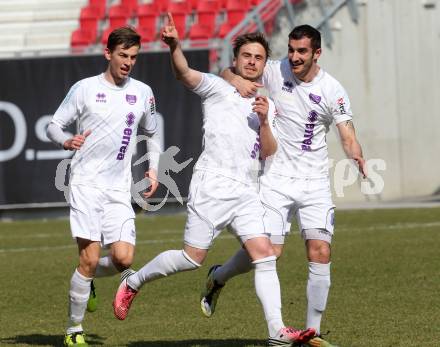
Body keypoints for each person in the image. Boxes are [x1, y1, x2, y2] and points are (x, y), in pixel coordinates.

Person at [112, 14, 315, 347]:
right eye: (246, 56)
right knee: (191, 258)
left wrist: (264, 121)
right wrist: (175, 45)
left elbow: (269, 151)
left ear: (265, 65)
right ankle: (134, 282)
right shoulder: (218, 87)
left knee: (264, 255)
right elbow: (184, 73)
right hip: (212, 186)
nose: (252, 61)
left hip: (248, 189)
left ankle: (277, 331)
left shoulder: (267, 104)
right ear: (235, 60)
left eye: (258, 58)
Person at [203, 24, 367, 347]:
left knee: (320, 251)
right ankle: (218, 276)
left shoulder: (333, 90)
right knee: (268, 253)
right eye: (291, 49)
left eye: (302, 51)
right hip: (276, 179)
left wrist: (356, 155)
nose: (293, 57)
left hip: (315, 182)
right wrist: (235, 79)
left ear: (316, 53)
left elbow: (347, 134)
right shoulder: (276, 71)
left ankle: (312, 333)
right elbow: (227, 71)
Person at [46, 27, 161, 347]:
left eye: (133, 57)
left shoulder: (143, 92)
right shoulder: (84, 89)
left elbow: (152, 132)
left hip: (119, 189)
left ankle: (91, 279)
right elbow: (52, 125)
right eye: (123, 55)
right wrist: (66, 140)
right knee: (89, 258)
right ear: (108, 53)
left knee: (123, 259)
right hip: (85, 185)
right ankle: (73, 330)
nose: (128, 62)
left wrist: (154, 169)